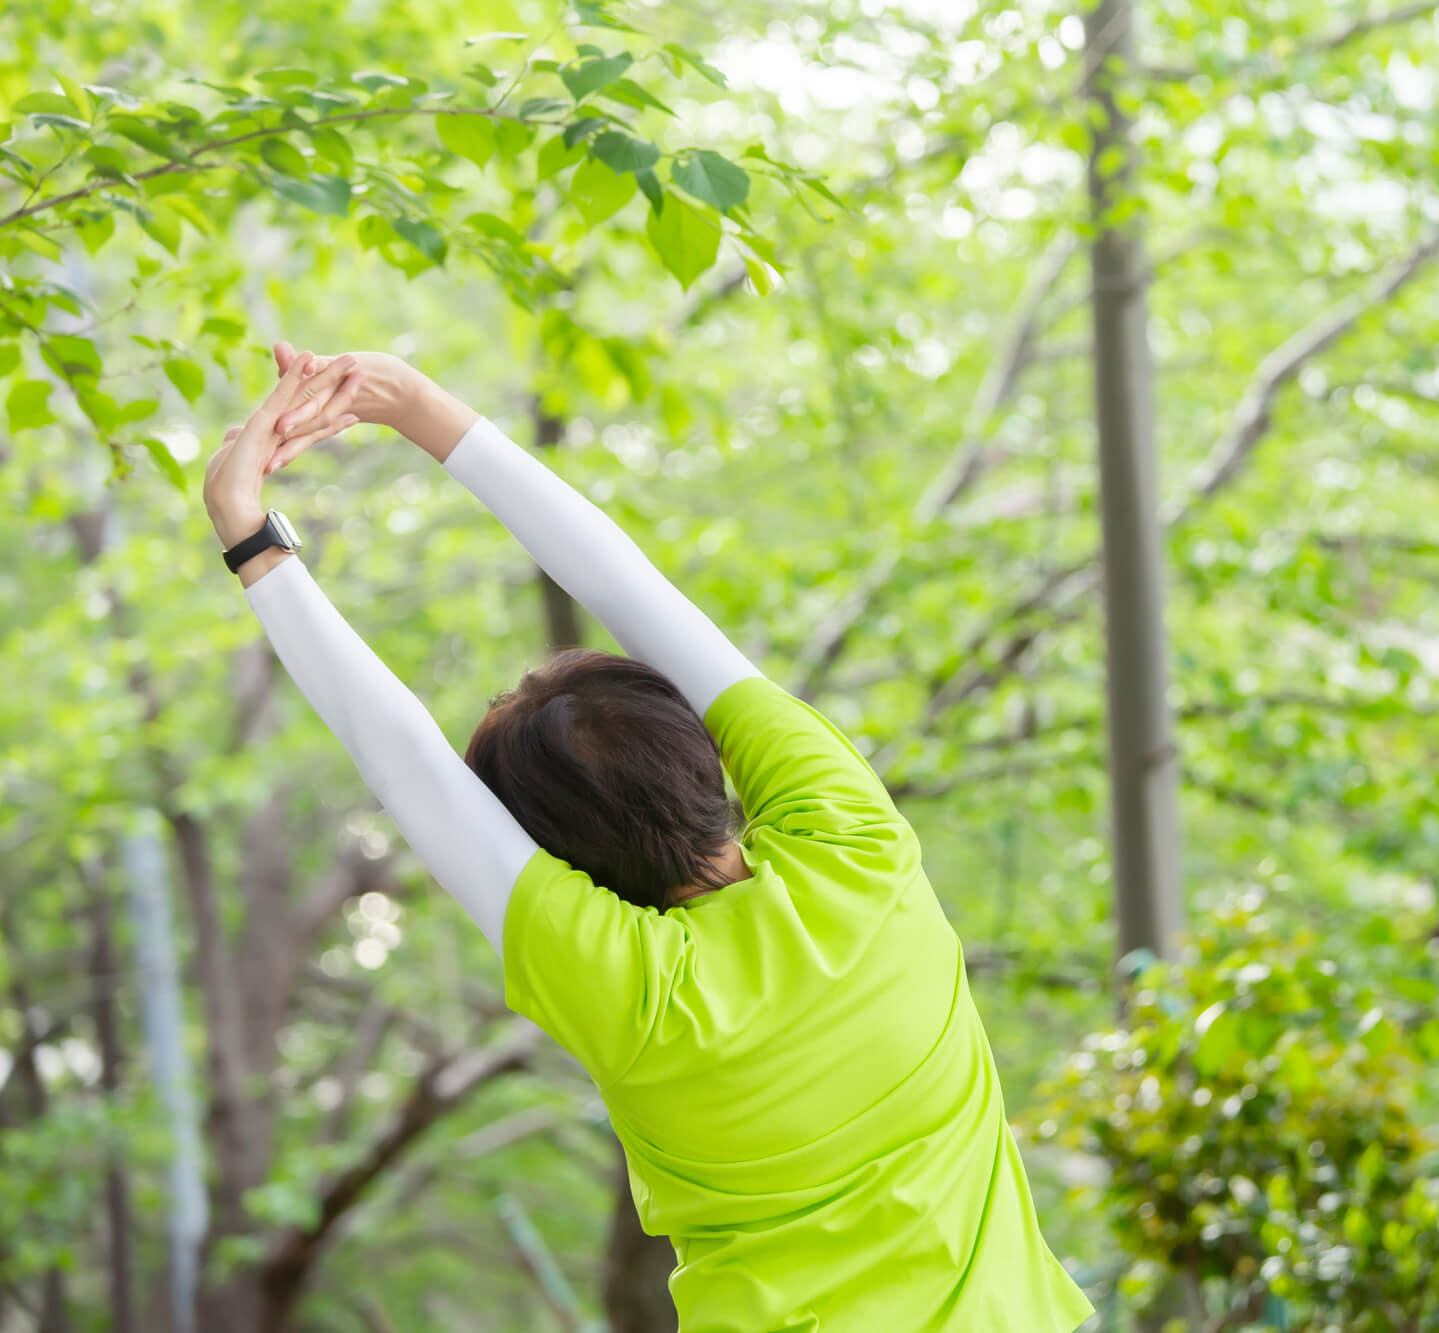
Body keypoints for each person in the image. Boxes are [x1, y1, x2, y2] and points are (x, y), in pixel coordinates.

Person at [203, 345, 1095, 1333]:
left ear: (564, 861)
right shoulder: (858, 851)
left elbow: (408, 770)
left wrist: (253, 538)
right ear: (705, 754)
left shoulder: (635, 993)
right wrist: (416, 407)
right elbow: (633, 590)